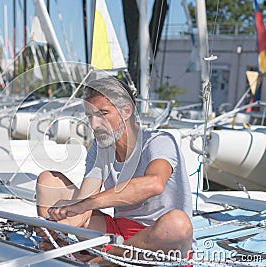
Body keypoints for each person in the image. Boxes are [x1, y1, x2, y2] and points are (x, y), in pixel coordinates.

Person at [35, 76, 193, 263]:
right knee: (49, 181)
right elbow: (84, 202)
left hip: (159, 240)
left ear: (126, 111)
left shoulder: (160, 141)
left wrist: (85, 204)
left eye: (103, 114)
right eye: (90, 116)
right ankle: (61, 245)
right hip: (118, 235)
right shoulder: (100, 147)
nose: (94, 125)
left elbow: (154, 184)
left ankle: (100, 262)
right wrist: (57, 226)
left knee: (178, 224)